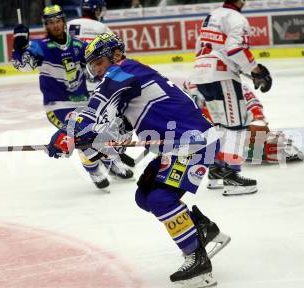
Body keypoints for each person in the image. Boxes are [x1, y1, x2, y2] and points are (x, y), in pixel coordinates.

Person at [46, 32, 231, 287]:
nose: (98, 70)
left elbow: (94, 109)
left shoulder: (123, 71)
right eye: (93, 66)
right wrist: (90, 141)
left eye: (99, 62)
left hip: (194, 142)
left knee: (160, 198)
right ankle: (202, 229)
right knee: (145, 195)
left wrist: (68, 132)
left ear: (117, 54)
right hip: (177, 146)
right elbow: (115, 131)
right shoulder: (128, 81)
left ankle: (197, 260)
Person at [11, 5, 133, 192]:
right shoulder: (40, 47)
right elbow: (23, 66)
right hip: (58, 106)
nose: (55, 26)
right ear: (46, 25)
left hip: (84, 102)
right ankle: (94, 170)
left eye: (58, 21)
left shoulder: (78, 45)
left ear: (64, 22)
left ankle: (111, 163)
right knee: (82, 135)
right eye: (50, 23)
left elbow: (97, 67)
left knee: (105, 130)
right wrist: (18, 47)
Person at [188, 0, 273, 195]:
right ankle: (232, 175)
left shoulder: (211, 17)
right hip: (222, 75)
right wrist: (256, 70)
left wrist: (248, 71)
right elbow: (235, 49)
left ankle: (217, 170)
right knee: (237, 125)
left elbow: (209, 49)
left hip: (201, 74)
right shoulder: (236, 18)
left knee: (219, 126)